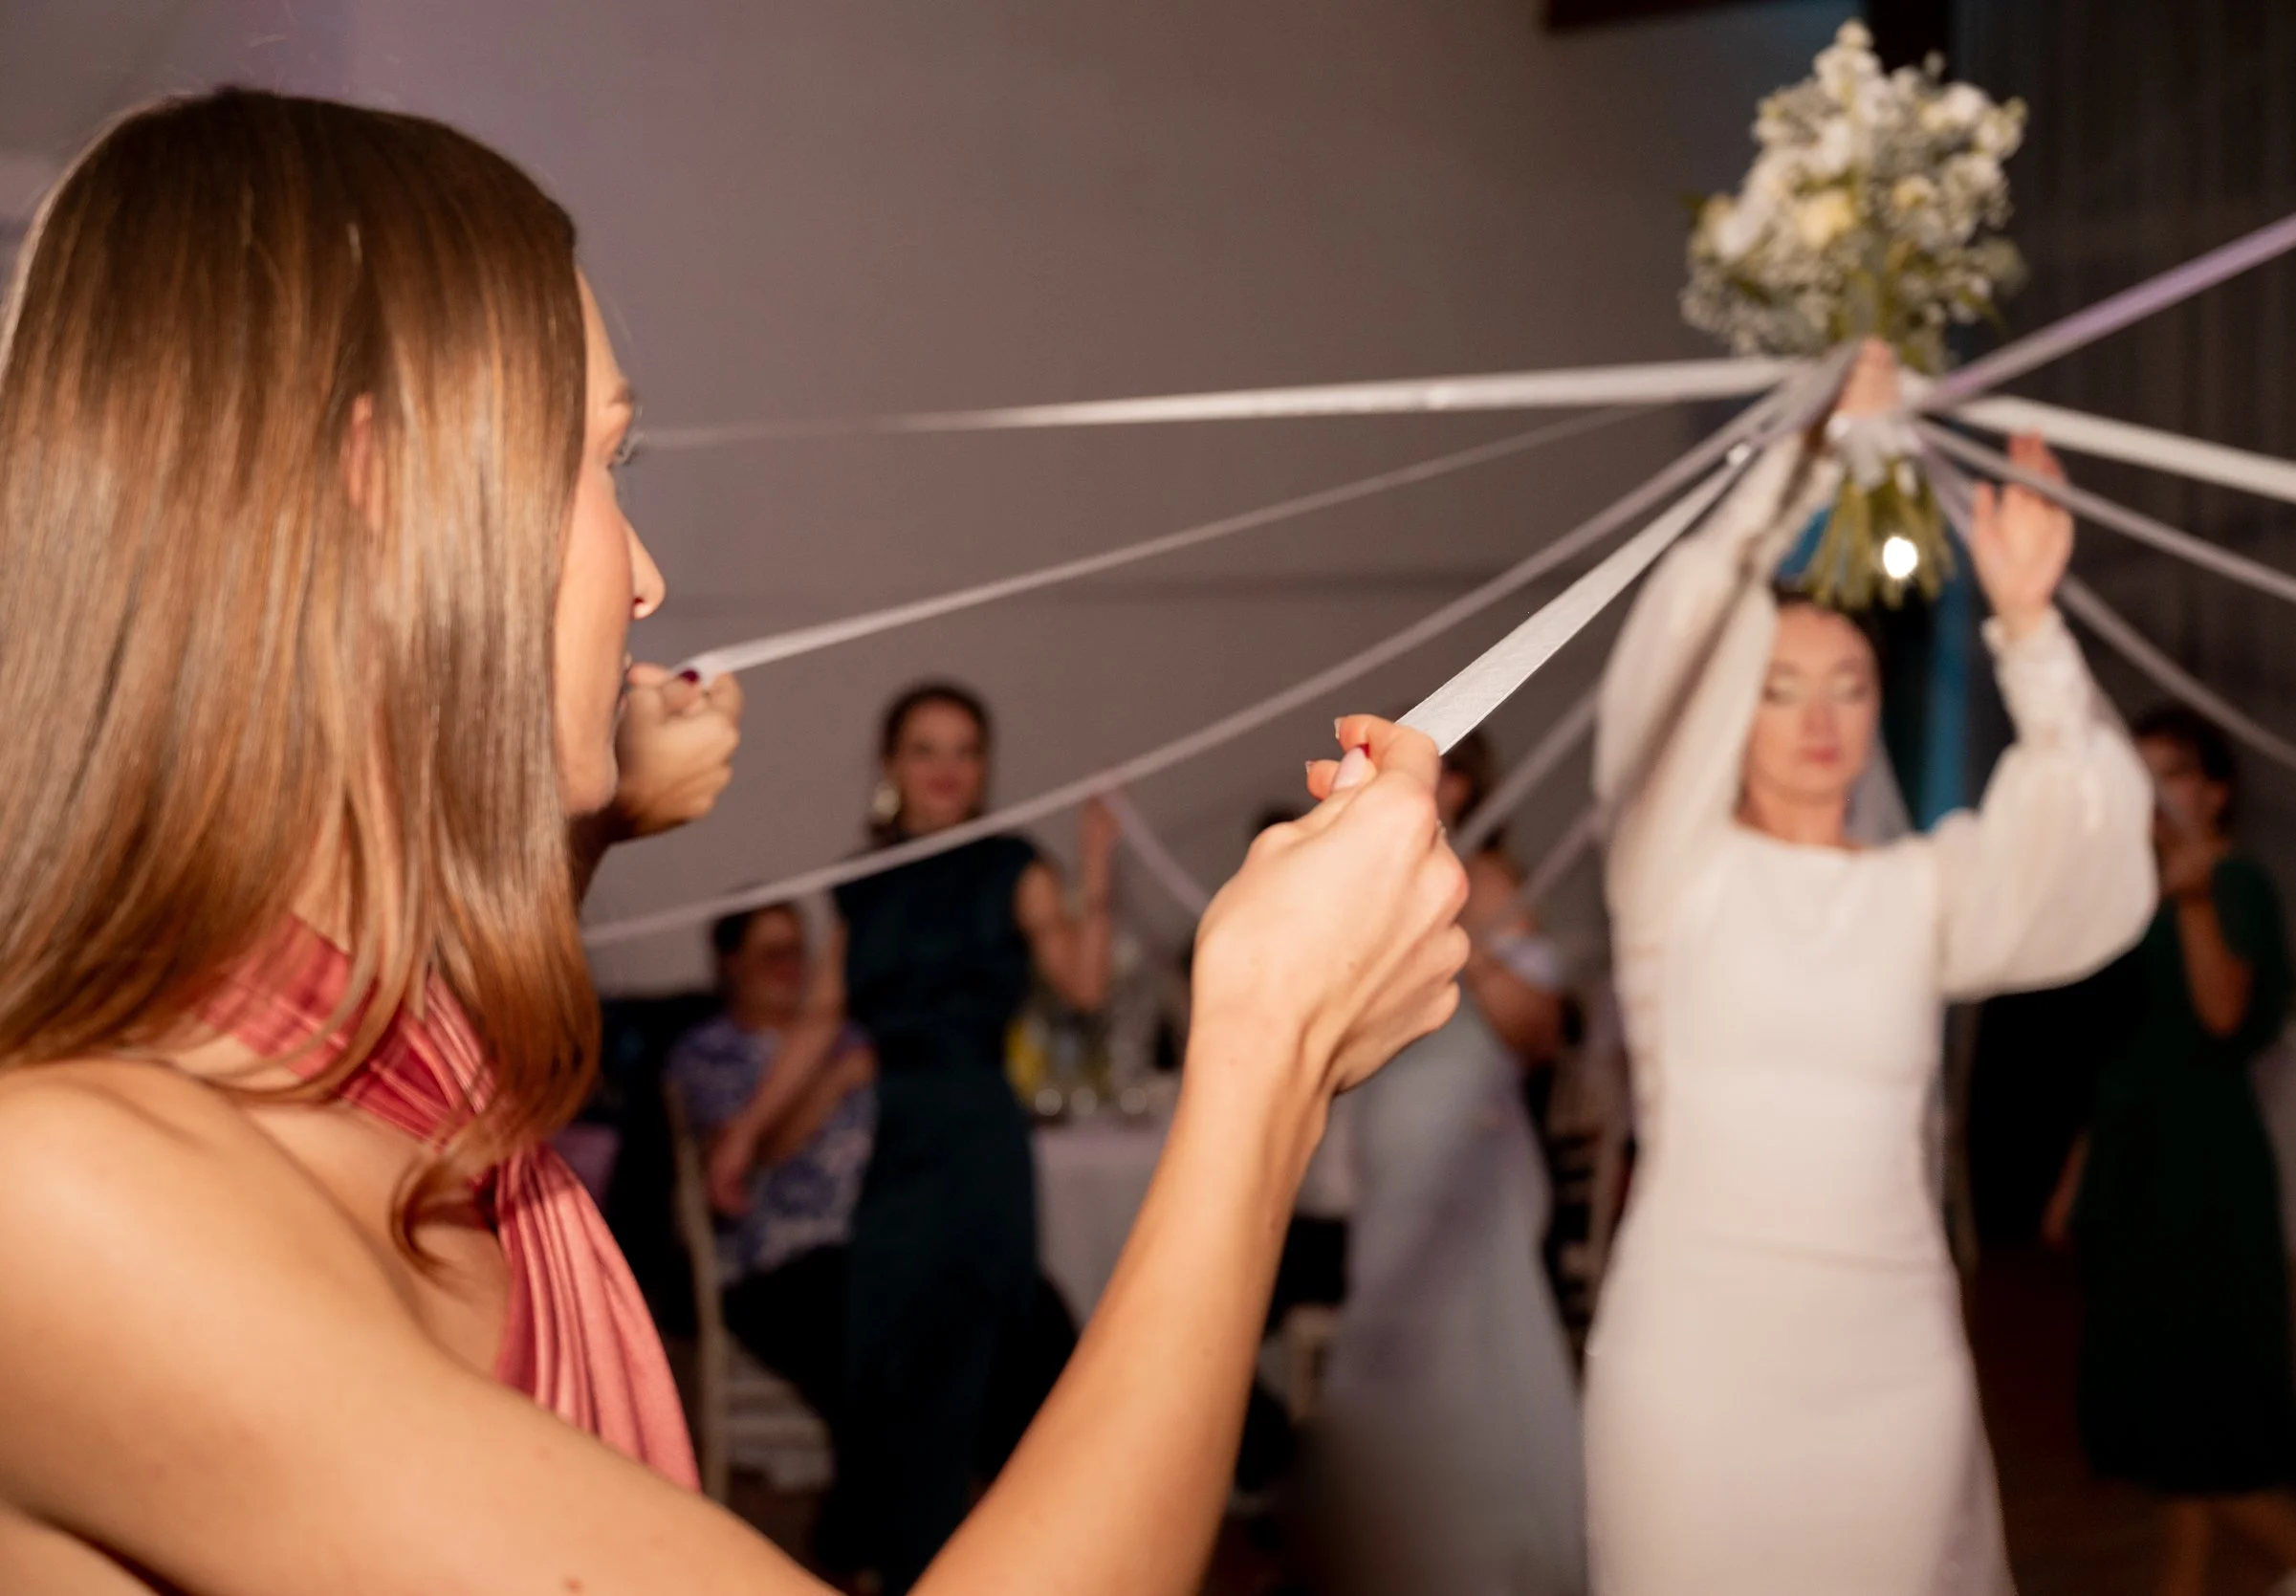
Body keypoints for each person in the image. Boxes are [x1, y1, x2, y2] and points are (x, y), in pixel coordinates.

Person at [0, 88, 1470, 1596]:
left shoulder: (368, 1049)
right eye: (597, 465)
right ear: (375, 491)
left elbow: (437, 1022)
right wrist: (1270, 1054)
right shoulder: (64, 1201)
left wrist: (579, 826)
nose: (642, 575)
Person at [1581, 339, 2157, 1595]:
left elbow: (2090, 850)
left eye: (1847, 683)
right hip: (1691, 1364)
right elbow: (1682, 629)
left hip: (1890, 1372)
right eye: (1783, 688)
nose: (1823, 717)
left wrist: (2029, 627)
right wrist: (1814, 456)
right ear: (1736, 711)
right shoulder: (1672, 876)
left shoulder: (1925, 890)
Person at [702, 683, 1123, 1592]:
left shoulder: (1016, 865)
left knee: (967, 1358)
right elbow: (819, 1020)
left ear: (984, 766)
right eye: (926, 749)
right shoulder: (864, 883)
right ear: (891, 766)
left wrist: (1096, 867)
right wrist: (744, 1131)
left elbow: (1085, 988)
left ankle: (938, 1568)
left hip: (977, 1141)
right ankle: (902, 1558)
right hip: (900, 1147)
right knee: (883, 1351)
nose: (945, 769)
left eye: (964, 750)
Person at [2045, 708, 2296, 1596]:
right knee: (2166, 1419)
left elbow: (2224, 1019)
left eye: (2173, 772)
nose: (2155, 792)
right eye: (2140, 772)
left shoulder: (2238, 888)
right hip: (2131, 1163)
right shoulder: (2127, 893)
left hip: (2205, 1171)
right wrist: (2078, 1173)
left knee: (2193, 1410)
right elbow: (2127, 1046)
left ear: (2216, 791)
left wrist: (2191, 898)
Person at [1321, 731, 1585, 1596]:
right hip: (1387, 1134)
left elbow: (1539, 1033)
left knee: (1465, 1347)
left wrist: (1468, 925)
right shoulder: (1356, 882)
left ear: (1461, 788)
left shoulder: (1492, 882)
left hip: (1466, 1144)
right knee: (1392, 1333)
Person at [668, 906, 875, 1448]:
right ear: (732, 964)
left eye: (796, 951)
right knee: (874, 1346)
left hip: (875, 1243)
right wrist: (832, 1082)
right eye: (772, 953)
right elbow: (749, 1158)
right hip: (779, 1263)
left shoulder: (852, 1036)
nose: (790, 967)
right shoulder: (710, 1053)